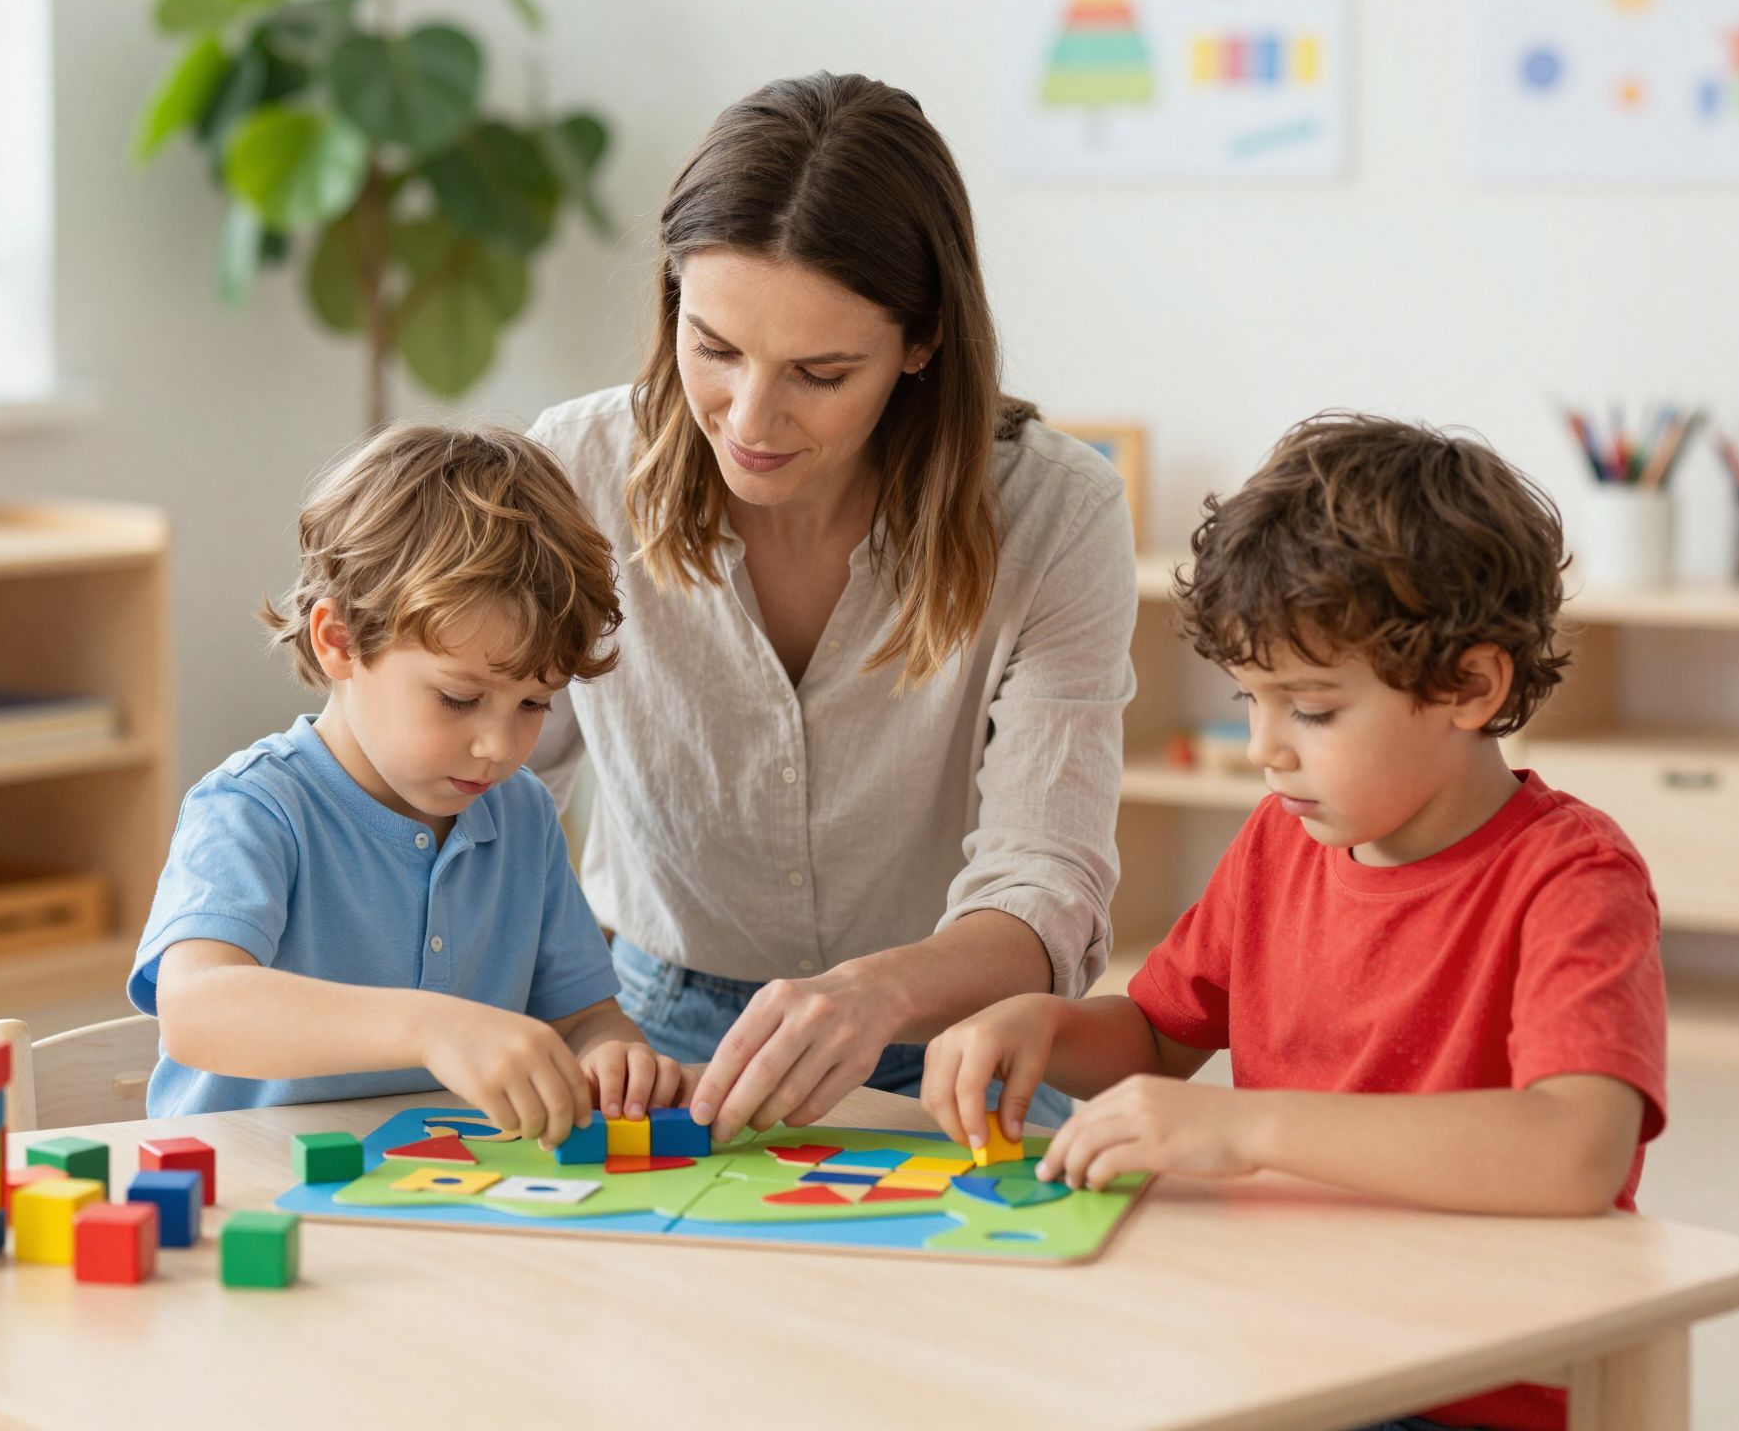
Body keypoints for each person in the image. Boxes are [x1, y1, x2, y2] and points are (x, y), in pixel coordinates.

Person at [925, 413, 1668, 1431]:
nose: (1263, 749)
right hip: (1282, 1345)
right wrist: (1042, 1028)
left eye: (1310, 711)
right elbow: (1155, 1034)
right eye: (1246, 701)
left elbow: (1574, 1149)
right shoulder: (1281, 845)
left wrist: (1246, 1128)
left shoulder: (1571, 878)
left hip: (1474, 1390)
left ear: (1469, 684)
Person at [528, 71, 1139, 1141]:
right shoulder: (576, 467)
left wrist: (884, 993)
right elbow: (496, 783)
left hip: (957, 1040)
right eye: (713, 349)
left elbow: (1048, 876)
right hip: (645, 1034)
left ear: (921, 341)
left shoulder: (1055, 512)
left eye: (820, 371)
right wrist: (563, 1016)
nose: (749, 418)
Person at [129, 423, 681, 1146]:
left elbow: (582, 1016)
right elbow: (198, 1010)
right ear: (340, 641)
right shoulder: (254, 808)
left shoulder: (521, 818)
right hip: (247, 1198)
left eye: (533, 705)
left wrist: (612, 1056)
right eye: (459, 698)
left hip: (436, 1198)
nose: (498, 747)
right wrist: (429, 1027)